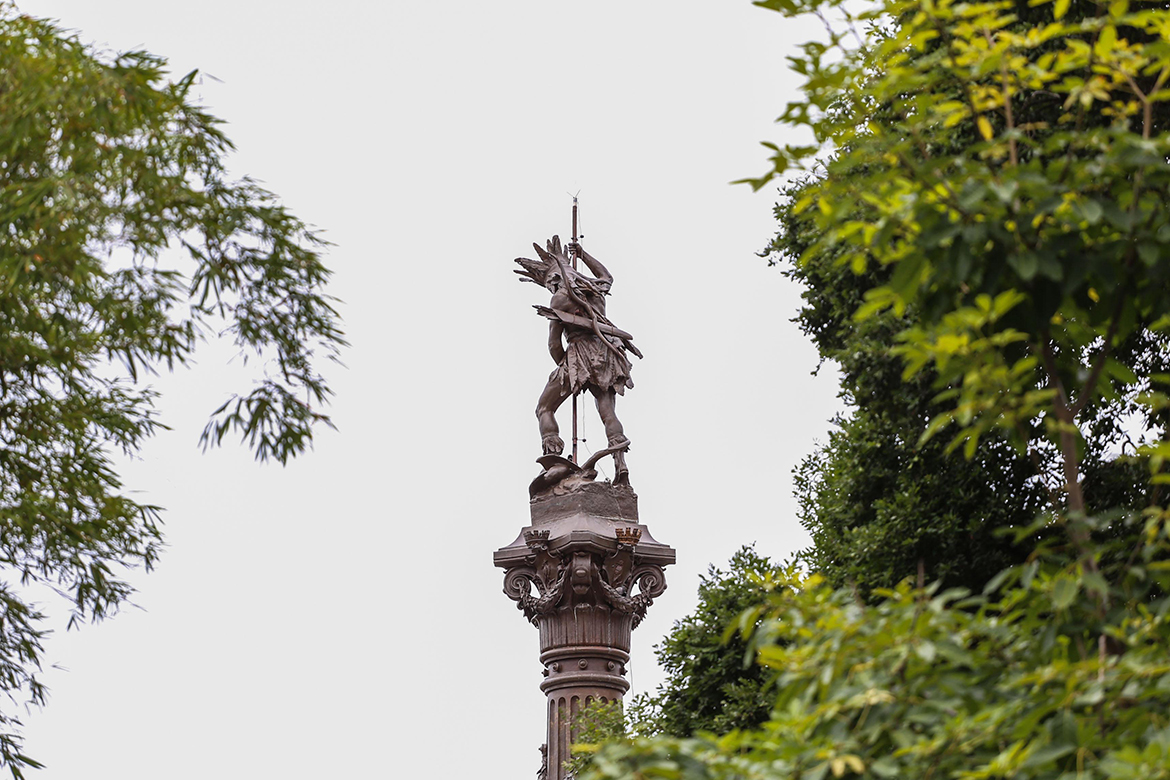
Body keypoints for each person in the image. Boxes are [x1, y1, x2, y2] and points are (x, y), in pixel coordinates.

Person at [515, 236, 637, 484]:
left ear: (554, 278)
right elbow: (606, 276)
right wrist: (582, 253)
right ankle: (621, 464)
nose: (550, 287)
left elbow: (553, 343)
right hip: (607, 352)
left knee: (544, 407)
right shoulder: (597, 289)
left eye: (549, 283)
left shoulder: (559, 298)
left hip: (579, 352)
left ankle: (552, 460)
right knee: (607, 411)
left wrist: (566, 367)